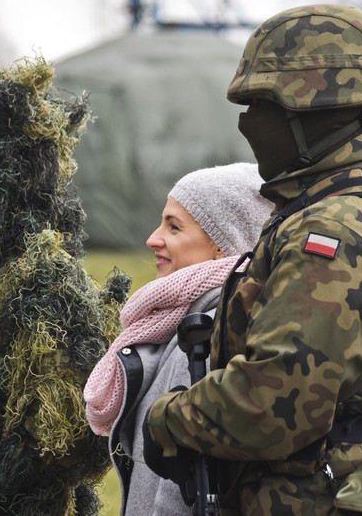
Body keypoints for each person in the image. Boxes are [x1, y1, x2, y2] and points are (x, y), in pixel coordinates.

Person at [142, 4, 362, 514]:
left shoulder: (336, 231)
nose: (248, 121)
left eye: (262, 105)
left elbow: (270, 403)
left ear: (312, 112)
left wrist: (163, 419)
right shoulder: (340, 209)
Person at [84, 163, 273, 515]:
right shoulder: (184, 322)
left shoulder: (209, 334)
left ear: (223, 245)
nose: (153, 239)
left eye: (173, 226)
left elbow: (179, 487)